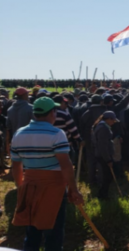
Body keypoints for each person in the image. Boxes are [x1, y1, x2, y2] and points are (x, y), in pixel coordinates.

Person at [10, 97, 84, 251]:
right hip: (54, 188)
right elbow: (66, 165)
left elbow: (16, 166)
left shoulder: (19, 133)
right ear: (52, 113)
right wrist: (73, 189)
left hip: (30, 185)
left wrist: (20, 187)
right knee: (54, 232)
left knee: (32, 230)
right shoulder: (57, 133)